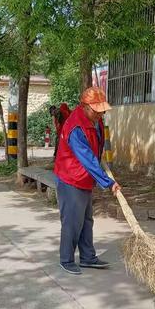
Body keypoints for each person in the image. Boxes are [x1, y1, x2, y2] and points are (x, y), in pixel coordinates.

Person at [54, 87, 121, 275]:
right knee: (72, 221)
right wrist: (108, 182)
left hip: (84, 178)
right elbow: (87, 159)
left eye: (102, 110)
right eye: (96, 110)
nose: (101, 113)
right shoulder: (75, 127)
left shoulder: (95, 121)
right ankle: (66, 260)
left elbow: (96, 152)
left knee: (86, 220)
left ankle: (87, 257)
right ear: (84, 106)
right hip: (70, 178)